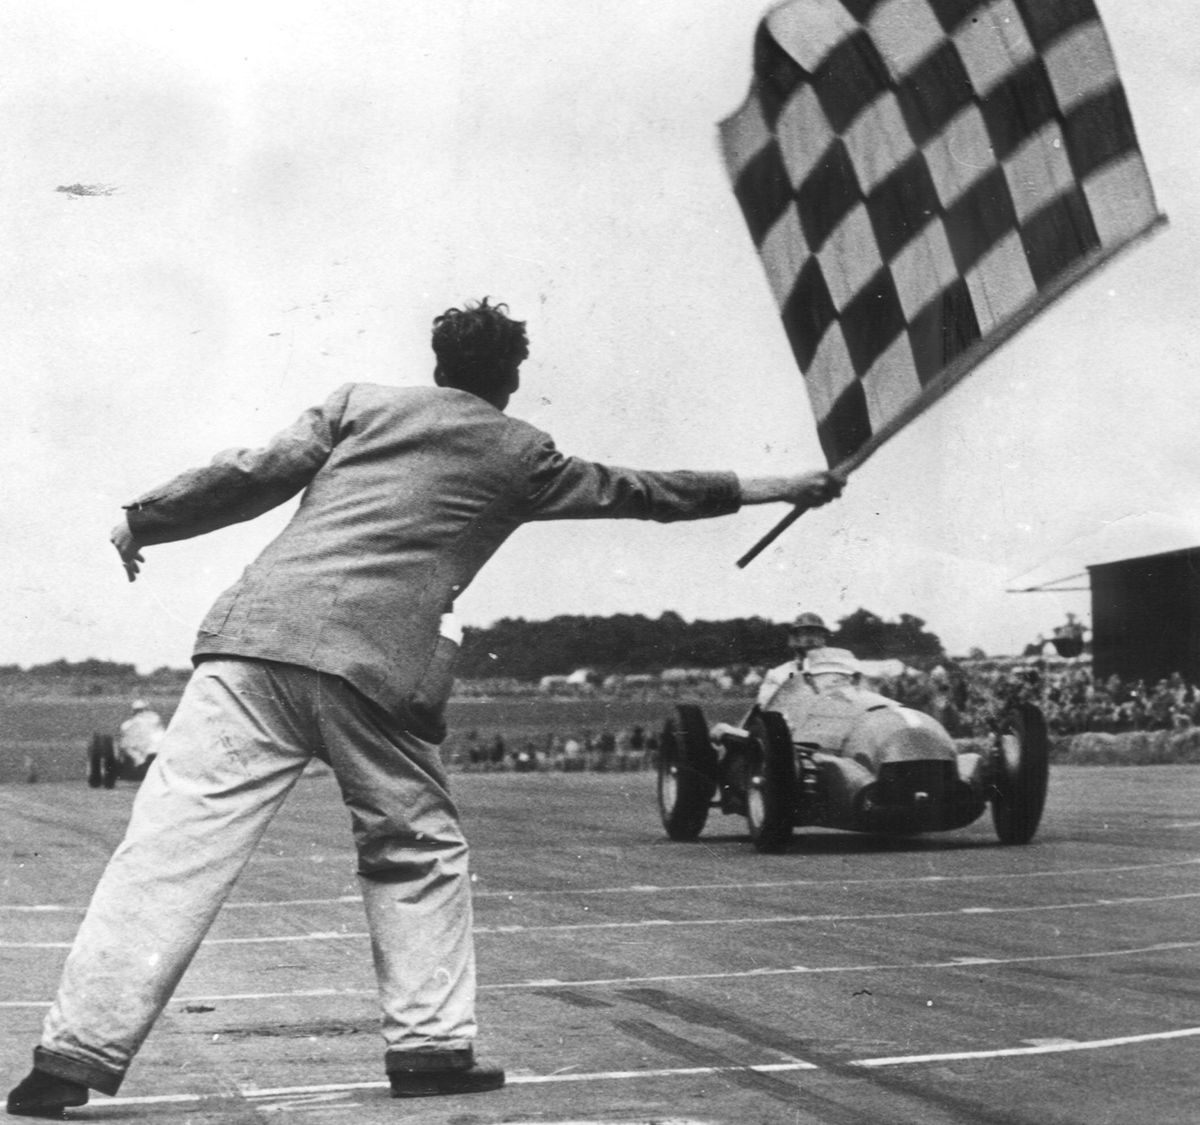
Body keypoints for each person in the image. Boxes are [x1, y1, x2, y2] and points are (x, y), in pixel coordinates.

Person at [7, 297, 845, 1117]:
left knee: (166, 851)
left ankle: (67, 1058)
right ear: (510, 378)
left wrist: (143, 519)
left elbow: (251, 474)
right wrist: (784, 484)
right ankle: (430, 1048)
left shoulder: (356, 405)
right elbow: (646, 490)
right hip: (371, 667)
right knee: (418, 846)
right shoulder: (522, 452)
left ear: (438, 365)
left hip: (246, 643)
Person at [756, 611, 832, 708]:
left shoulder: (836, 669)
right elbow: (764, 706)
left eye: (816, 634)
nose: (811, 639)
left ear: (823, 639)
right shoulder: (778, 674)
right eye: (804, 633)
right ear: (794, 638)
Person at [114, 700, 166, 781]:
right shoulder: (155, 719)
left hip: (145, 749)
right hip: (149, 749)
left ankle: (142, 764)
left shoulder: (127, 724)